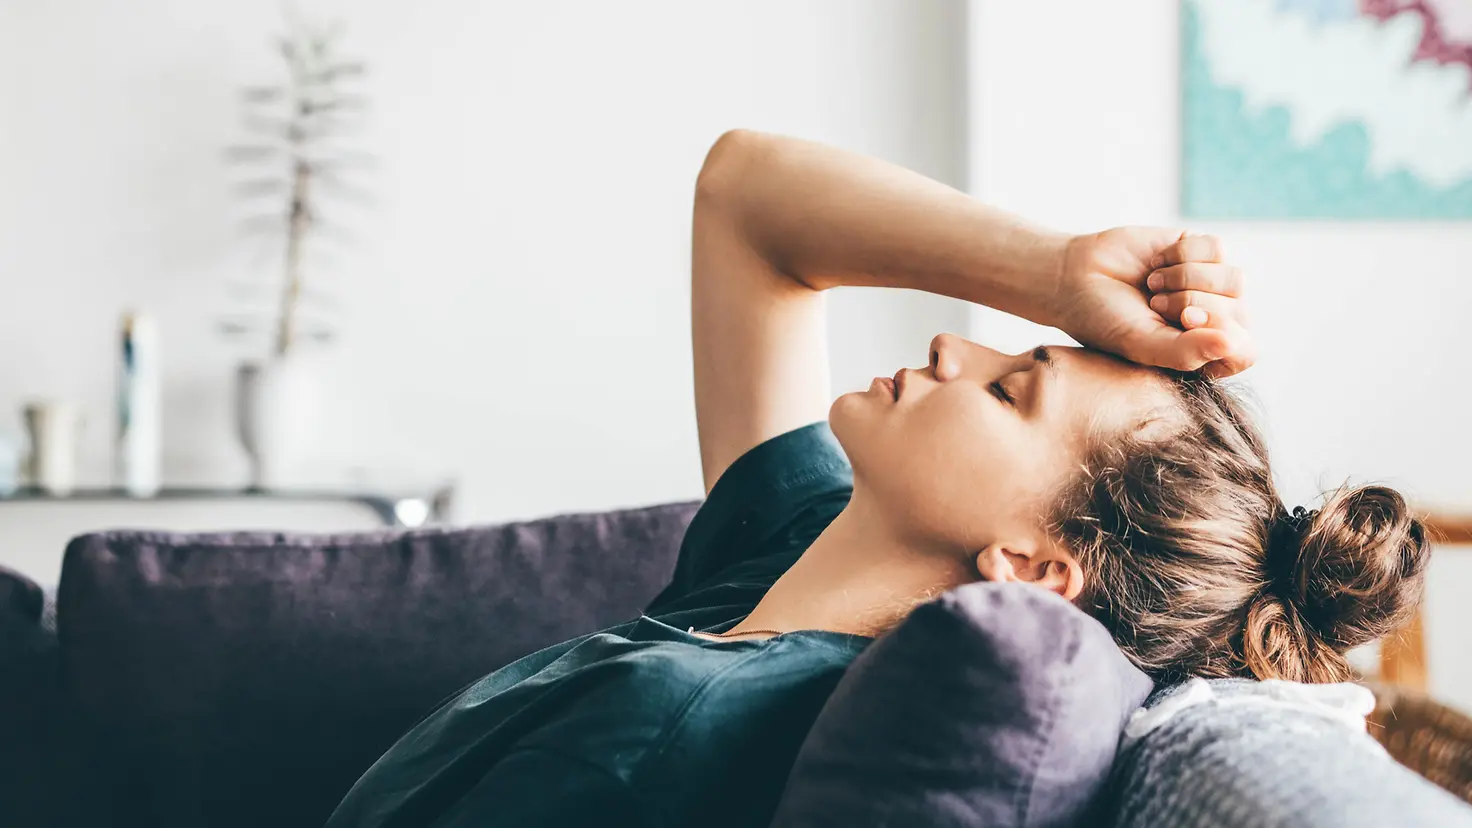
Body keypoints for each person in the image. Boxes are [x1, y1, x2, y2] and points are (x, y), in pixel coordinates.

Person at [325, 132, 1430, 828]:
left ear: (1033, 565)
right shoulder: (794, 548)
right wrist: (1055, 273)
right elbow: (746, 198)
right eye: (1015, 349)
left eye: (1010, 392)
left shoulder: (668, 726)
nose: (959, 350)